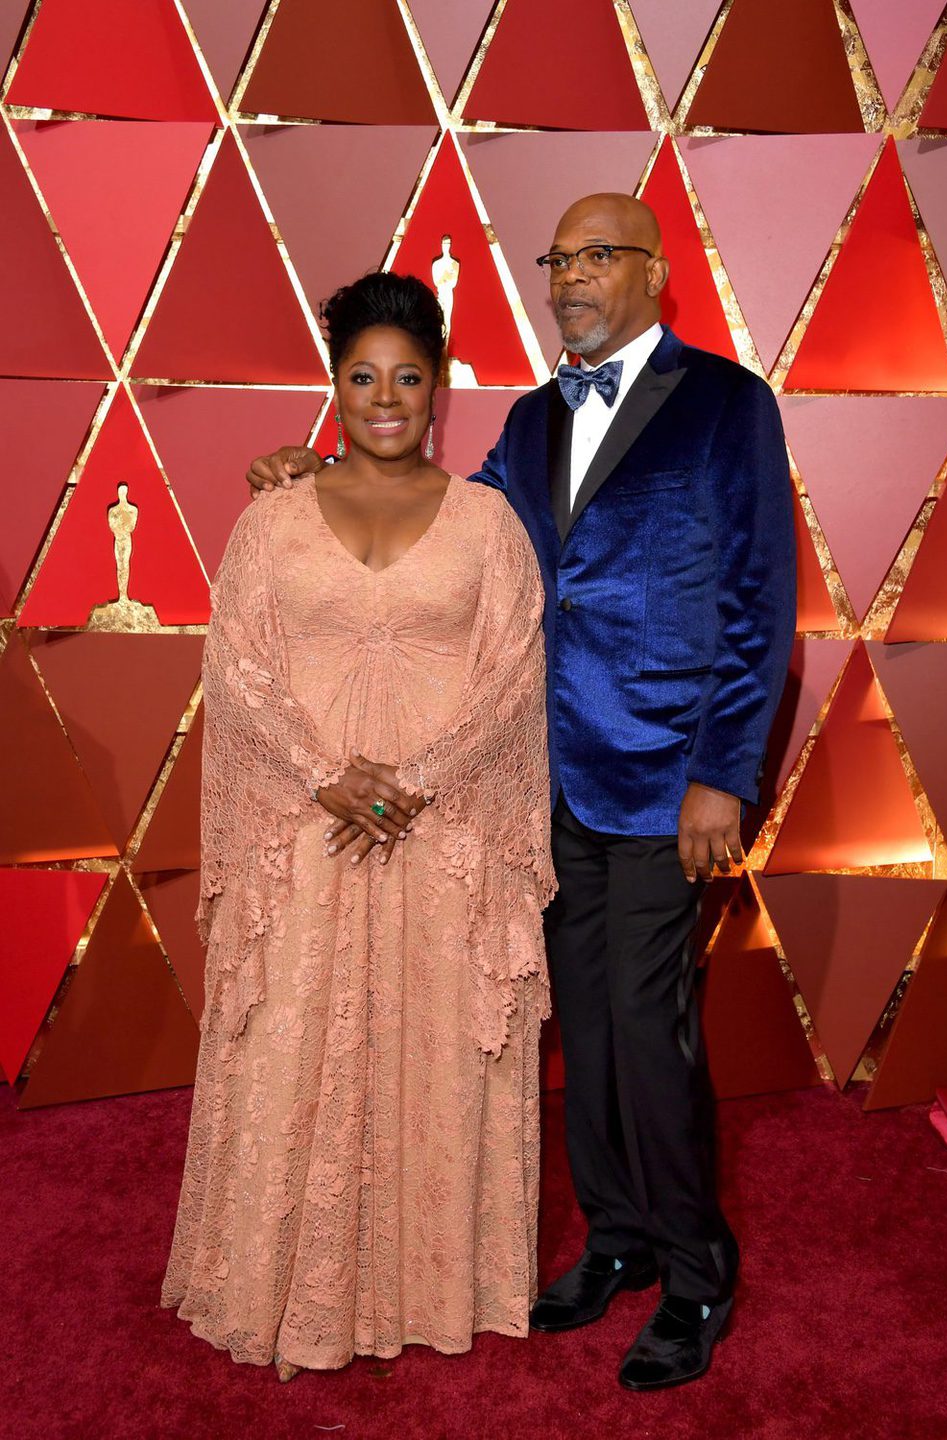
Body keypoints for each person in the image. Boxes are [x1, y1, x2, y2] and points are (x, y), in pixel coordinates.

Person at [247, 193, 796, 1391]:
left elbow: (761, 602)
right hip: (544, 778)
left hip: (666, 780)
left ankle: (699, 1274)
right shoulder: (534, 419)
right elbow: (458, 522)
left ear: (656, 273)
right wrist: (313, 463)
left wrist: (722, 773)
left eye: (599, 257)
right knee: (582, 1027)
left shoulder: (727, 406)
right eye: (559, 260)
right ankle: (617, 1242)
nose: (571, 279)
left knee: (651, 1032)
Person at [162, 272, 555, 1380]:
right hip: (306, 832)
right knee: (292, 1040)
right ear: (333, 384)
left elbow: (515, 675)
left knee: (436, 1042)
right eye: (362, 376)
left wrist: (414, 781)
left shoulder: (489, 524)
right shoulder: (272, 517)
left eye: (408, 378)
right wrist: (329, 776)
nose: (385, 398)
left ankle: (437, 1285)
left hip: (440, 839)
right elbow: (234, 671)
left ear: (439, 390)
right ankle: (282, 1283)